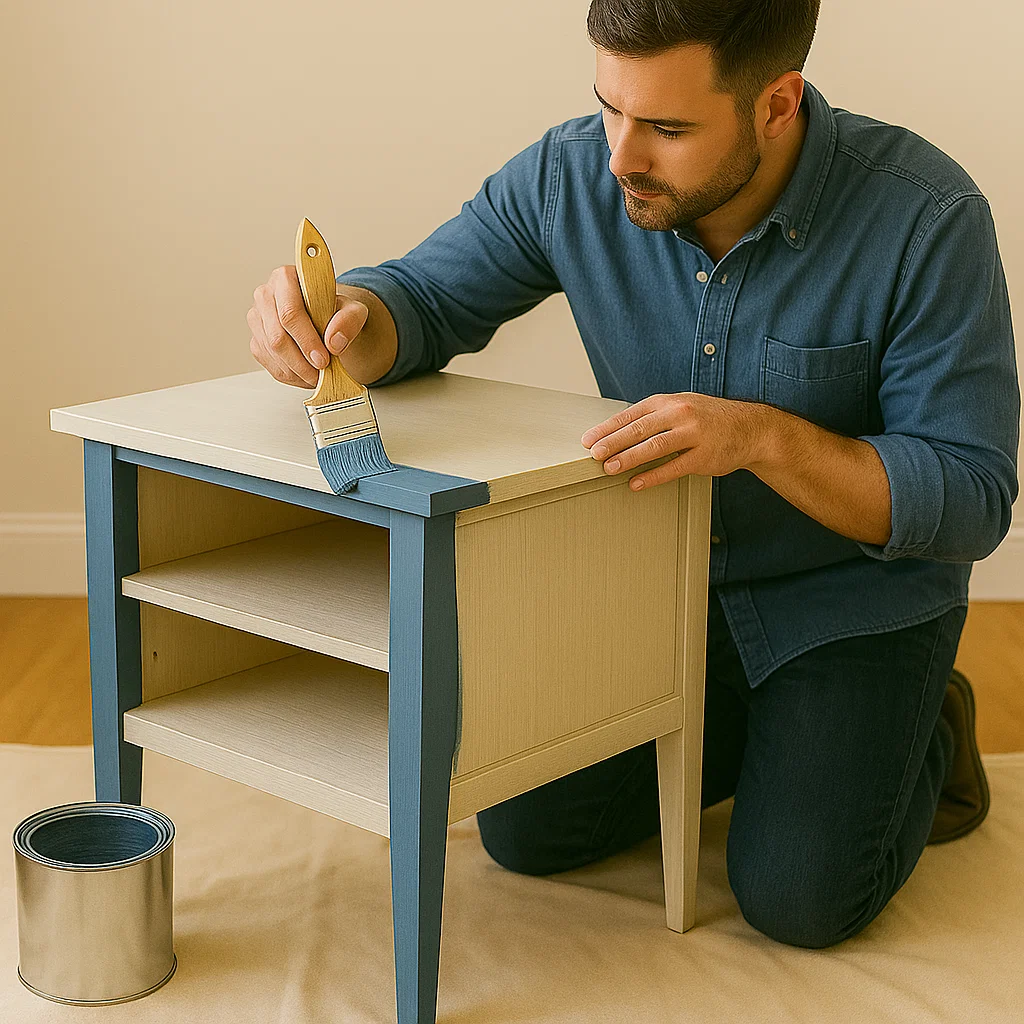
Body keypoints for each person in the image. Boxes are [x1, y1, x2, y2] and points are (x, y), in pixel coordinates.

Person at [245, 0, 1019, 948]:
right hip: (659, 577)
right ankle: (768, 736)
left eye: (668, 126)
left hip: (852, 598)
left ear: (779, 103)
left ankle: (924, 728)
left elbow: (971, 495)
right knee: (526, 830)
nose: (620, 155)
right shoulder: (574, 172)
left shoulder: (927, 216)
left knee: (800, 900)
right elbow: (427, 299)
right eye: (609, 106)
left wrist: (765, 439)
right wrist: (344, 321)